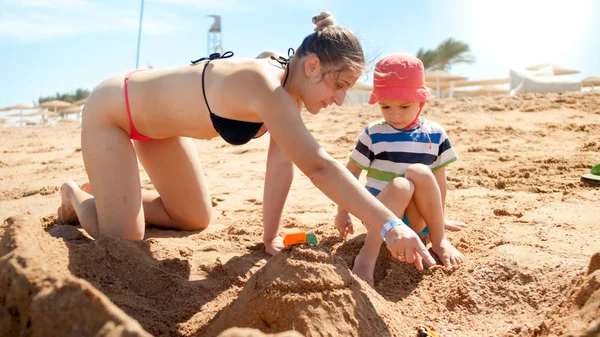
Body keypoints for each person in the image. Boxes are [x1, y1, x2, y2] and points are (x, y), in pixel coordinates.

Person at [57, 12, 437, 270]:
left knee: (193, 219)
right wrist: (390, 226)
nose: (338, 99)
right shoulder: (265, 86)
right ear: (312, 66)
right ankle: (78, 194)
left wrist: (269, 237)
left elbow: (281, 162)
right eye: (339, 86)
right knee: (124, 239)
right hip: (114, 111)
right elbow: (318, 166)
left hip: (159, 129)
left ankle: (113, 194)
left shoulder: (288, 86)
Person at [334, 53, 465, 285]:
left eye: (404, 106)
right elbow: (351, 173)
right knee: (400, 185)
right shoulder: (373, 134)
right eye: (385, 106)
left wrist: (438, 218)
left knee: (421, 172)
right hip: (378, 218)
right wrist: (342, 212)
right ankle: (368, 254)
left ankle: (439, 240)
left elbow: (438, 182)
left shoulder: (435, 134)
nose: (394, 113)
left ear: (421, 102)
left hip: (416, 221)